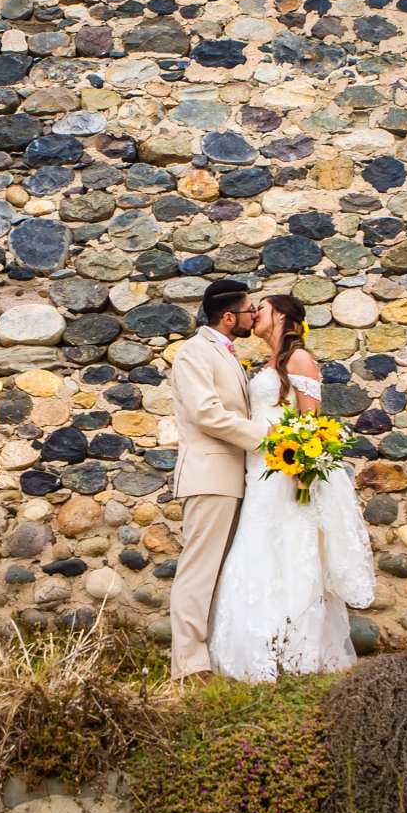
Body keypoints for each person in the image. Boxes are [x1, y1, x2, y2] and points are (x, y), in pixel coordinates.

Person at [208, 295, 375, 681]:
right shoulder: (266, 363)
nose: (254, 315)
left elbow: (310, 423)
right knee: (258, 550)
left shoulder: (299, 359)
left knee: (289, 553)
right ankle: (259, 653)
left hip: (285, 474)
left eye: (261, 308)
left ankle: (297, 654)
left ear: (280, 315)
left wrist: (301, 465)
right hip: (258, 472)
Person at [164, 278, 269, 679]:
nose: (254, 316)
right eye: (249, 310)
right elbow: (206, 413)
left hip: (234, 477)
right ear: (229, 317)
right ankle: (188, 666)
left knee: (221, 571)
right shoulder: (193, 353)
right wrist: (267, 438)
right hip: (210, 476)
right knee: (199, 570)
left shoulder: (227, 354)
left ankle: (212, 656)